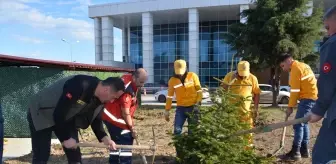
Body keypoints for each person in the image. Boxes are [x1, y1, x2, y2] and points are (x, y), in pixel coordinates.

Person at [27, 75, 125, 164]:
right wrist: (66, 138)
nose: (112, 101)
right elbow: (59, 113)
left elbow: (96, 119)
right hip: (42, 112)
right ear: (106, 90)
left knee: (75, 156)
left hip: (66, 117)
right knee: (42, 154)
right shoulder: (80, 84)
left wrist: (105, 138)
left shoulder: (101, 99)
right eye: (113, 97)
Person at [307, 5, 336, 164]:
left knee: (322, 157)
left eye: (328, 27)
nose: (327, 32)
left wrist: (318, 109)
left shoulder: (333, 44)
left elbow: (328, 80)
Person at [102, 68, 148, 164]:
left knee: (116, 142)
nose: (142, 85)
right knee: (126, 137)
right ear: (134, 78)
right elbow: (125, 113)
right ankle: (125, 161)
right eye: (141, 82)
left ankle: (114, 161)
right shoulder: (127, 91)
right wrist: (132, 129)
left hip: (109, 115)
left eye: (144, 82)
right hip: (114, 117)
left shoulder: (128, 80)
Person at [277, 53, 318, 160]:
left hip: (307, 98)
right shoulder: (302, 65)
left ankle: (295, 152)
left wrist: (290, 107)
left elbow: (295, 91)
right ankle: (304, 151)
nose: (283, 69)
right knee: (304, 124)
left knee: (298, 124)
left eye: (283, 66)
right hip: (312, 97)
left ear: (288, 61)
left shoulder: (295, 69)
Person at [222, 60, 261, 147]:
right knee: (232, 130)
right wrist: (231, 81)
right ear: (237, 70)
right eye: (241, 74)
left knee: (248, 131)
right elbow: (223, 90)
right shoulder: (229, 76)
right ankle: (233, 148)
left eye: (244, 74)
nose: (243, 76)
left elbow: (257, 93)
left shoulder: (253, 78)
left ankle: (248, 149)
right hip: (231, 112)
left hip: (246, 112)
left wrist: (256, 108)